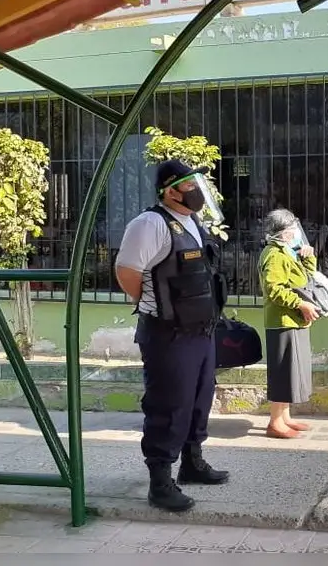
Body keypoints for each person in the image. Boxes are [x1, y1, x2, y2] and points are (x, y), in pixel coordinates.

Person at [115, 159, 230, 513]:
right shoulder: (150, 223)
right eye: (189, 184)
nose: (196, 190)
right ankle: (160, 481)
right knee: (169, 404)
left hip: (200, 331)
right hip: (167, 334)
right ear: (170, 190)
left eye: (198, 184)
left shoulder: (192, 222)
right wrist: (157, 304)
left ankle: (192, 463)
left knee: (198, 399)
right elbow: (126, 272)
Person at [259, 208, 320, 439]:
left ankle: (285, 417)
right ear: (281, 232)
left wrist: (308, 256)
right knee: (283, 372)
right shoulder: (273, 255)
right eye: (291, 229)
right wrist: (300, 304)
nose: (296, 232)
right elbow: (274, 290)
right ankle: (275, 421)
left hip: (294, 320)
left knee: (292, 372)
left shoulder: (287, 251)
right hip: (282, 321)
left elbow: (306, 279)